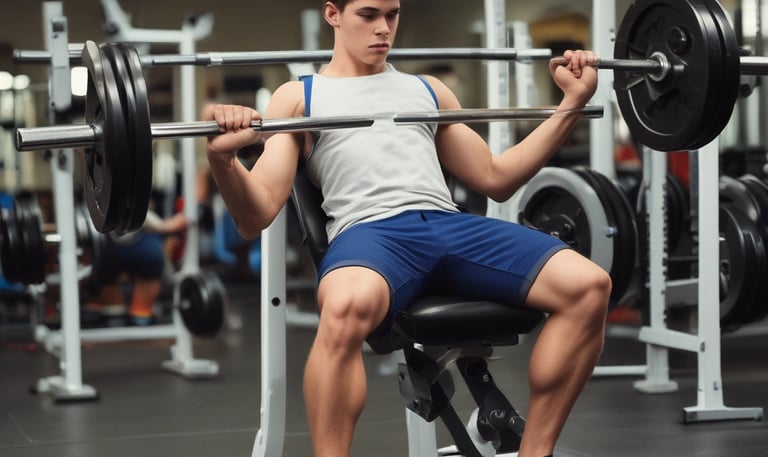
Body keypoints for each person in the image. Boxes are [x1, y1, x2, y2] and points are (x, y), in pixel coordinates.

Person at [203, 1, 609, 456]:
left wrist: (572, 103)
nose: (383, 28)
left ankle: (537, 451)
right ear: (333, 14)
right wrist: (223, 160)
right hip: (372, 233)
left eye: (392, 15)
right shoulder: (300, 97)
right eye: (368, 15)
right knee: (342, 309)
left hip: (447, 225)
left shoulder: (427, 90)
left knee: (589, 285)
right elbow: (254, 215)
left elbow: (496, 178)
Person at [88, 209, 188, 326]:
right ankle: (132, 315)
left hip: (129, 249)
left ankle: (135, 315)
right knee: (119, 310)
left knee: (131, 311)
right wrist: (165, 226)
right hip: (111, 249)